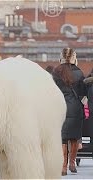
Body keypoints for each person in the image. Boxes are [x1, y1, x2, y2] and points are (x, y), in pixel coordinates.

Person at [52, 47, 87, 176]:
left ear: (61, 58)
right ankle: (72, 163)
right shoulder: (79, 72)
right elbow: (83, 94)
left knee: (62, 138)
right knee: (74, 137)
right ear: (74, 58)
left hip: (60, 108)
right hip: (76, 109)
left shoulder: (56, 72)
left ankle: (63, 167)